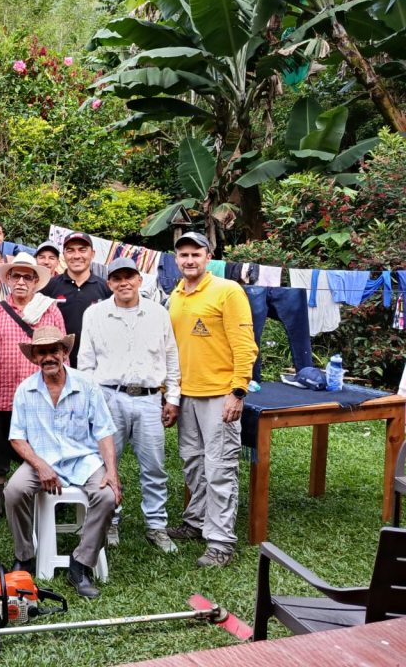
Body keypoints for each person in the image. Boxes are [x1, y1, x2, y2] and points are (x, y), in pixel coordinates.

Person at [4, 326, 120, 599]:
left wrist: (112, 472)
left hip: (83, 459)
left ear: (65, 352)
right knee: (14, 491)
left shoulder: (86, 385)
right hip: (41, 460)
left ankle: (81, 564)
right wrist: (40, 465)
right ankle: (24, 556)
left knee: (107, 496)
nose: (48, 357)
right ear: (34, 357)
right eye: (42, 352)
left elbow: (104, 432)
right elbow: (17, 438)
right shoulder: (25, 390)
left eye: (53, 351)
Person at [77, 257, 181, 553]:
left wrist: (172, 398)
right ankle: (109, 520)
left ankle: (156, 525)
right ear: (109, 283)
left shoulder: (158, 313)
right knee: (106, 464)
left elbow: (171, 356)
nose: (123, 283)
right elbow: (86, 363)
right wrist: (94, 403)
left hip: (149, 398)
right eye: (117, 278)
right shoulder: (95, 314)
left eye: (129, 277)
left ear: (139, 279)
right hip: (109, 396)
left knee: (154, 466)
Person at [166, 231, 257, 568]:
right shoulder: (176, 295)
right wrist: (170, 394)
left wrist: (238, 391)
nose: (189, 260)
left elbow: (245, 344)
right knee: (192, 463)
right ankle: (196, 520)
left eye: (196, 254)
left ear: (209, 257)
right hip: (186, 394)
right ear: (177, 259)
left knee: (219, 469)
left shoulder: (227, 290)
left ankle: (220, 543)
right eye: (184, 255)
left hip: (220, 395)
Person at [0, 252, 64, 529]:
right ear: (9, 280)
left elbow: (63, 353)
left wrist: (61, 392)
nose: (22, 281)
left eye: (28, 277)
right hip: (1, 394)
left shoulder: (50, 310)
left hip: (40, 397)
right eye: (17, 276)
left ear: (36, 281)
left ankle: (44, 498)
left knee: (42, 448)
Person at [42, 231, 111, 367]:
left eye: (82, 250)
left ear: (92, 254)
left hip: (96, 365)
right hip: (58, 364)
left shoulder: (106, 288)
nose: (76, 256)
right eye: (70, 250)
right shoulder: (49, 287)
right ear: (63, 255)